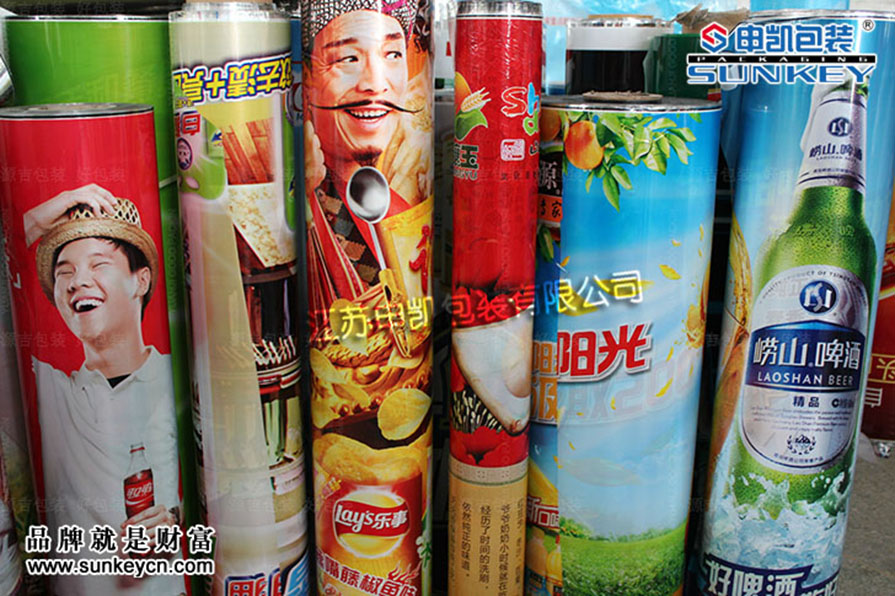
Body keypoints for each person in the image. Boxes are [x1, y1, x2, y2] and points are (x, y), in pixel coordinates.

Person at [23, 184, 183, 595]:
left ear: (140, 280)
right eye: (64, 272)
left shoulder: (179, 376)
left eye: (98, 264)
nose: (78, 281)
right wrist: (41, 217)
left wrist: (175, 520)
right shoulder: (48, 389)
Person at [302, 0, 431, 319]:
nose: (375, 84)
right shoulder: (304, 195)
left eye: (393, 55)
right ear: (307, 79)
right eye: (349, 58)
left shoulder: (401, 204)